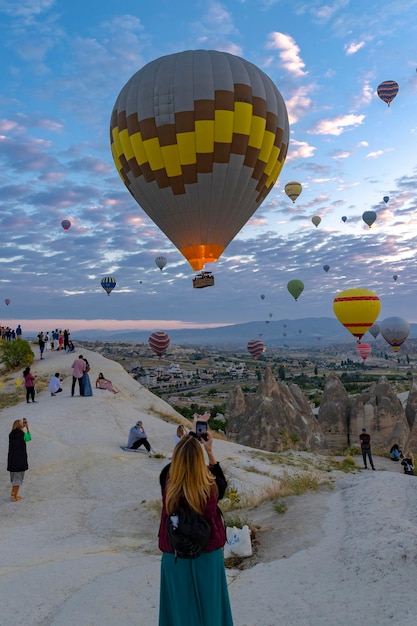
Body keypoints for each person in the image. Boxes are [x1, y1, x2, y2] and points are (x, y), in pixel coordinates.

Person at [158, 430, 233, 626]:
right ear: (201, 461)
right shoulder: (211, 484)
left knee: (179, 612)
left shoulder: (168, 480)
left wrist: (187, 439)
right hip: (208, 553)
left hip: (174, 555)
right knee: (212, 609)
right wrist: (209, 451)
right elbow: (223, 486)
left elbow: (171, 469)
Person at [7, 418, 31, 501]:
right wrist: (27, 427)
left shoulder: (11, 434)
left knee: (14, 477)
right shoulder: (22, 434)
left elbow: (18, 432)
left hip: (11, 459)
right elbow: (28, 438)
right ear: (21, 426)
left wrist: (22, 427)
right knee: (18, 478)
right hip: (20, 460)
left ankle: (13, 492)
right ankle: (15, 497)